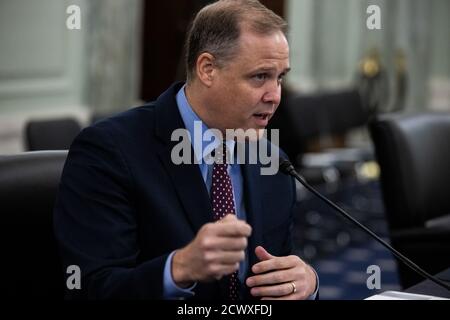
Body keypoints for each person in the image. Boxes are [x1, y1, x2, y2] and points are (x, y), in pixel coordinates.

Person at [54, 0, 318, 300]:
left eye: (280, 77)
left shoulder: (272, 162)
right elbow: (90, 289)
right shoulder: (110, 150)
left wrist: (306, 282)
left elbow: (278, 272)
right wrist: (177, 269)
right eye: (260, 76)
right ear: (207, 69)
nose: (275, 96)